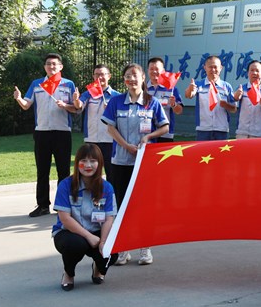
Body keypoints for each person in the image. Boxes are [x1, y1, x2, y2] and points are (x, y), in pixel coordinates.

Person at [101, 63, 170, 265]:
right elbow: (110, 129)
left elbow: (165, 127)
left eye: (135, 75)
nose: (131, 79)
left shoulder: (152, 102)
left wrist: (148, 137)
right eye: (128, 76)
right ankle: (123, 248)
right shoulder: (116, 102)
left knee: (144, 204)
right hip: (120, 161)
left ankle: (145, 247)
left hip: (144, 163)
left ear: (142, 78)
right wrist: (125, 145)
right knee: (122, 204)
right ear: (124, 80)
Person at [14, 53, 77, 218]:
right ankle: (42, 205)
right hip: (42, 132)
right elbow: (26, 105)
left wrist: (66, 106)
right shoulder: (37, 84)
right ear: (45, 67)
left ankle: (63, 206)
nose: (51, 66)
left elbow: (76, 108)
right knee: (42, 171)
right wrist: (19, 99)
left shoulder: (68, 84)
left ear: (61, 67)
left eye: (55, 64)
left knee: (63, 171)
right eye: (48, 64)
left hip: (62, 132)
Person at [52, 143, 118, 291]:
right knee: (75, 245)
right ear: (77, 163)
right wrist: (89, 237)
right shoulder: (65, 185)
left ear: (99, 164)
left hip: (98, 232)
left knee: (111, 251)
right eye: (84, 161)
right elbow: (65, 218)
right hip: (70, 232)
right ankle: (69, 273)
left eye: (93, 161)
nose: (88, 165)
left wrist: (103, 242)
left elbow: (109, 219)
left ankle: (98, 268)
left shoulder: (107, 187)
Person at [74, 64, 120, 179]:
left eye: (102, 74)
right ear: (93, 77)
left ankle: (111, 191)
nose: (99, 77)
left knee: (111, 173)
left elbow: (121, 119)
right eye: (97, 74)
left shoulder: (117, 96)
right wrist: (76, 99)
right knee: (91, 173)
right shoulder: (88, 94)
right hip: (91, 139)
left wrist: (110, 110)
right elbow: (79, 106)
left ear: (109, 76)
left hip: (110, 140)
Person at [184, 55, 237, 141]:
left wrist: (226, 105)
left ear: (221, 68)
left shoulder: (227, 86)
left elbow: (234, 109)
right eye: (210, 67)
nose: (213, 70)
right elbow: (188, 95)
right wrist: (190, 89)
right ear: (205, 68)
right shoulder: (199, 85)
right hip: (203, 129)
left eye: (215, 67)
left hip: (221, 130)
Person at [233, 60, 261, 138]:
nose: (254, 73)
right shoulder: (242, 88)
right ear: (248, 73)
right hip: (242, 133)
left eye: (257, 71)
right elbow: (234, 101)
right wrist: (236, 96)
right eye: (252, 70)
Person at [146, 57, 184, 142]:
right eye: (151, 69)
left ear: (163, 71)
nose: (154, 71)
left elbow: (179, 111)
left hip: (165, 134)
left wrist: (174, 104)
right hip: (146, 132)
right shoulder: (143, 89)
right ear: (148, 70)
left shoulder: (171, 88)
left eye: (157, 69)